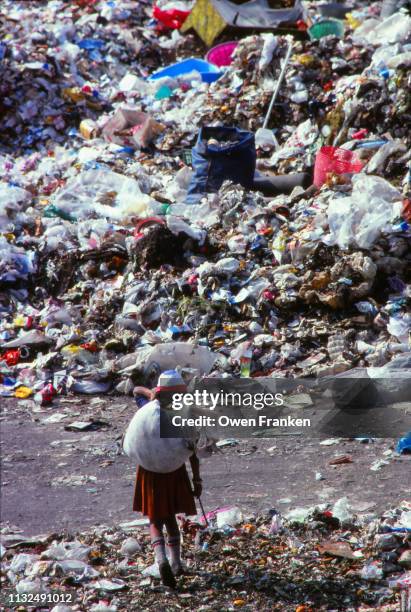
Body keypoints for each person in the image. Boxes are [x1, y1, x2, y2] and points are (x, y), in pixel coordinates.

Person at [131, 371, 202, 589]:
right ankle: (176, 563)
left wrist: (151, 394)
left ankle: (161, 559)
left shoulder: (147, 410)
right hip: (173, 471)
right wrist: (197, 481)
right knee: (170, 516)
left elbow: (136, 391)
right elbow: (193, 453)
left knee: (155, 517)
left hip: (149, 470)